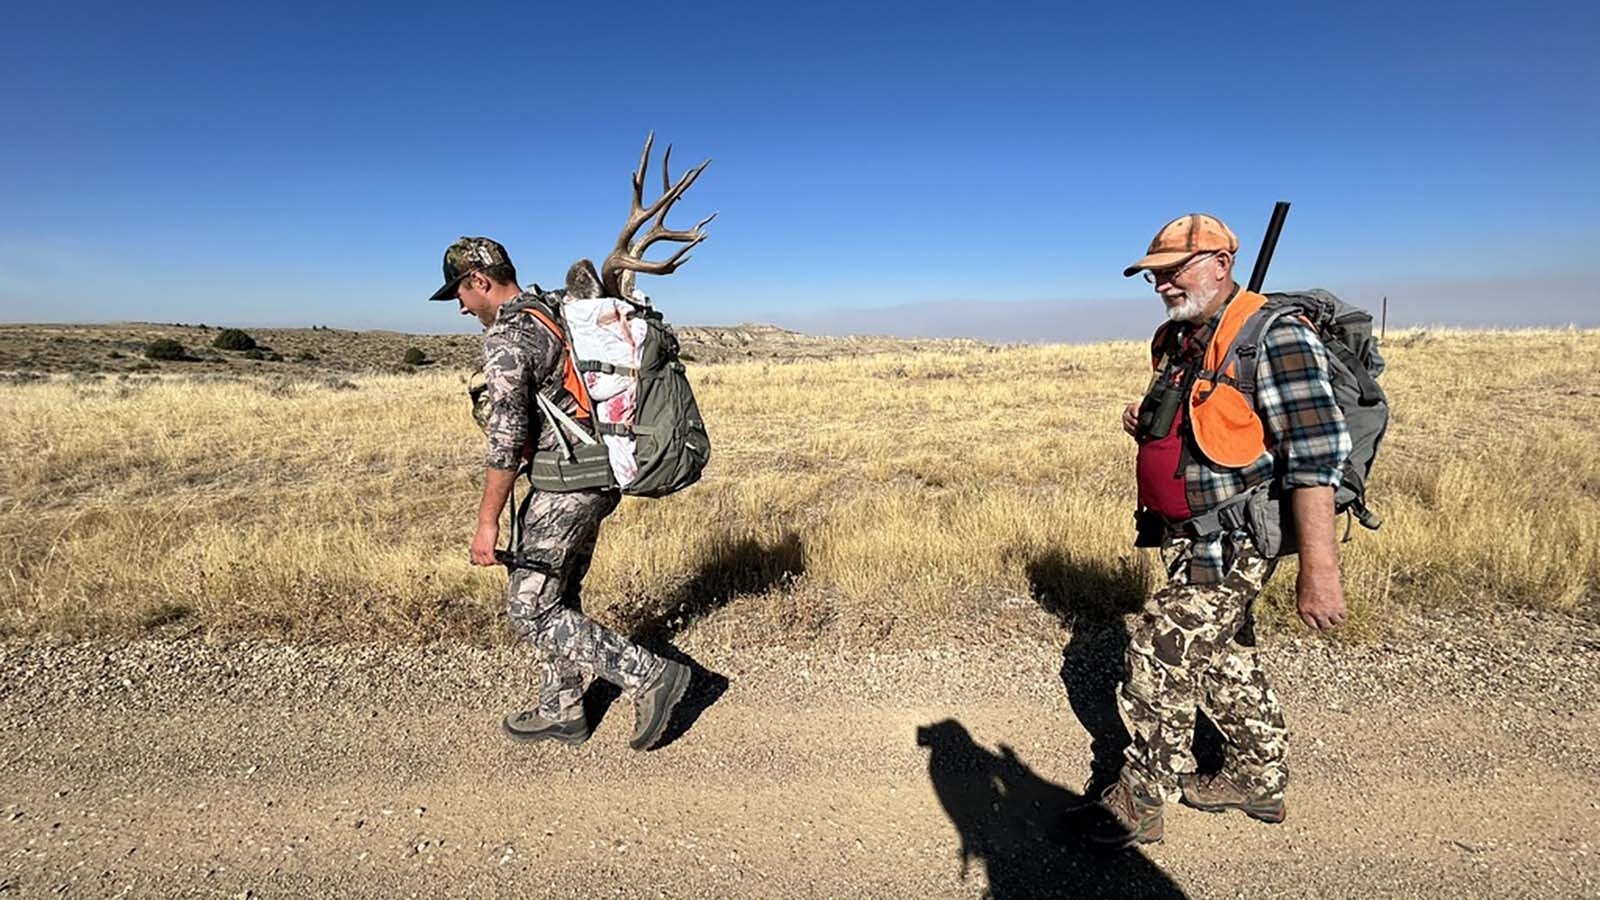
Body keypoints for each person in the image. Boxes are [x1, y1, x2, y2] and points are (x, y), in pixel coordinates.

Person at [1093, 214, 1352, 845]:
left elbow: (1316, 456)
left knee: (1159, 646)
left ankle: (1139, 798)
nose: (1161, 286)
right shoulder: (1180, 338)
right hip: (1185, 532)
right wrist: (1149, 422)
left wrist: (1320, 574)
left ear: (1220, 262)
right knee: (1223, 657)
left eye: (1172, 272)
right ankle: (1257, 780)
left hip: (1235, 536)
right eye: (1154, 276)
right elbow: (1212, 421)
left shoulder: (1278, 336)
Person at [430, 236, 691, 750]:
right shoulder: (551, 309)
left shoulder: (509, 338)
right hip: (598, 473)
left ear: (480, 280)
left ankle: (649, 675)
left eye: (460, 292)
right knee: (559, 591)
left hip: (566, 484)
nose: (460, 305)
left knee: (531, 609)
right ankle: (563, 707)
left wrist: (488, 523)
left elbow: (504, 440)